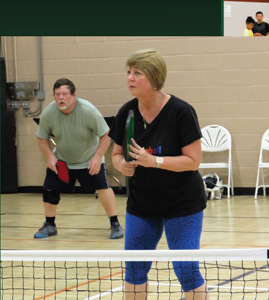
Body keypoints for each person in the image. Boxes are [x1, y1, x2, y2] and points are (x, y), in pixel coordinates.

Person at [109, 49, 209, 300]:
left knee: (186, 269)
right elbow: (116, 155)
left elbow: (193, 161)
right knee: (134, 268)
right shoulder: (126, 112)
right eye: (128, 73)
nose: (130, 78)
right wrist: (122, 165)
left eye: (137, 73)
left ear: (154, 78)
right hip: (142, 205)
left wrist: (154, 161)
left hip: (182, 205)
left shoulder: (181, 111)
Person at [34, 78, 123, 240]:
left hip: (89, 160)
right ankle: (49, 224)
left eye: (65, 94)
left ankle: (115, 223)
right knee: (49, 188)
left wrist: (97, 157)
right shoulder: (49, 113)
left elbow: (106, 135)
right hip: (61, 160)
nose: (61, 98)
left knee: (103, 188)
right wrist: (49, 157)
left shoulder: (88, 110)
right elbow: (41, 138)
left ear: (73, 95)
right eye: (57, 94)